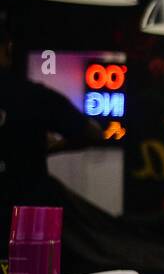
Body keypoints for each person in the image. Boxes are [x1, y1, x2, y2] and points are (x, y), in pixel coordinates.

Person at [0, 13, 102, 243]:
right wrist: (51, 147)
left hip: (26, 217)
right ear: (8, 49)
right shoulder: (32, 96)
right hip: (27, 224)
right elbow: (92, 133)